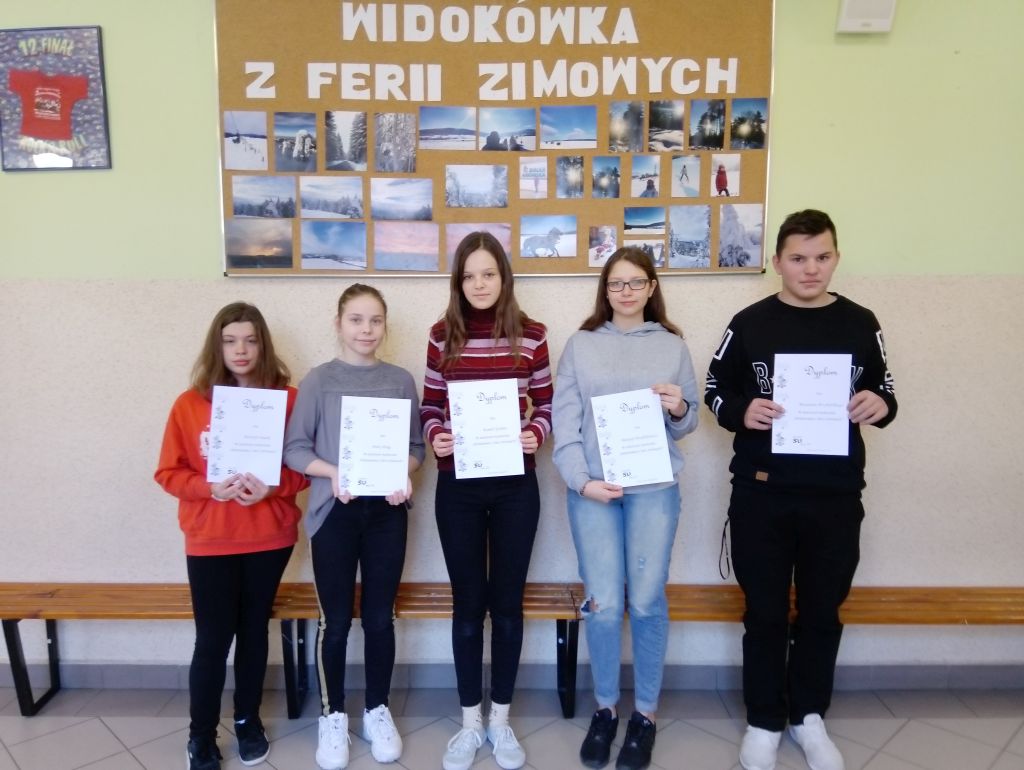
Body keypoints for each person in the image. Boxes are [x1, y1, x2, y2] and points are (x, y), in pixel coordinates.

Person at [704, 210, 897, 770]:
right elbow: (714, 388)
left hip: (835, 495)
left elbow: (886, 391)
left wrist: (879, 404)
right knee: (764, 612)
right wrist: (742, 411)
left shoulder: (861, 322)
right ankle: (764, 719)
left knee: (821, 611)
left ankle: (808, 716)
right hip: (762, 493)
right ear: (777, 263)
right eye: (798, 258)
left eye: (822, 257)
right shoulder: (750, 323)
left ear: (836, 258)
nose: (811, 269)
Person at [552, 247, 699, 770]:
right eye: (616, 283)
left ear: (652, 287)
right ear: (605, 290)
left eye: (637, 282)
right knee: (604, 603)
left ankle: (646, 714)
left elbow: (687, 421)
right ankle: (606, 708)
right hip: (593, 491)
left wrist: (679, 407)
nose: (627, 291)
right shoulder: (581, 345)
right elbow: (564, 423)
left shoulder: (673, 346)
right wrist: (582, 481)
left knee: (647, 600)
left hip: (654, 489)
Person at [155, 302, 308, 770]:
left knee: (253, 632)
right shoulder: (189, 404)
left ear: (263, 345)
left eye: (250, 340)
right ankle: (200, 735)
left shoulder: (289, 400)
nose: (240, 350)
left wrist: (274, 487)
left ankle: (247, 720)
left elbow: (307, 469)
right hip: (210, 538)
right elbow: (167, 473)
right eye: (230, 340)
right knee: (213, 638)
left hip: (270, 537)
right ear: (216, 347)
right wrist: (210, 487)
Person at [421, 231, 553, 770]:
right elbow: (430, 406)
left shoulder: (533, 336)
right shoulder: (440, 337)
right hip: (458, 488)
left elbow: (547, 404)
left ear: (504, 278)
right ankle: (470, 721)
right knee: (468, 605)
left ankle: (500, 719)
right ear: (458, 282)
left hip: (516, 486)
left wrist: (535, 434)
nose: (479, 284)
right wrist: (436, 436)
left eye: (489, 274)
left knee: (508, 604)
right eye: (469, 275)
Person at [283, 284, 424, 770]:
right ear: (338, 323)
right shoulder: (318, 381)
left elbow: (416, 448)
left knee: (381, 617)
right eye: (356, 320)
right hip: (334, 515)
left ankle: (377, 710)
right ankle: (333, 713)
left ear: (385, 325)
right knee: (336, 621)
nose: (366, 330)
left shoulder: (400, 380)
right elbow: (295, 449)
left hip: (386, 514)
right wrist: (333, 473)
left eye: (375, 320)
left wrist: (403, 472)